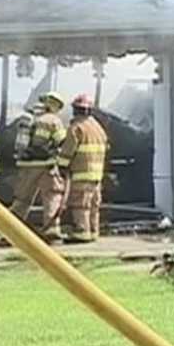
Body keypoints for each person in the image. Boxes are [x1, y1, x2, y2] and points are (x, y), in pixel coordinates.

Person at [12, 92, 68, 241]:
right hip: (46, 165)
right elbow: (62, 142)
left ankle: (11, 228)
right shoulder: (53, 121)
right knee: (52, 195)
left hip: (26, 165)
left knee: (22, 199)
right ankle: (51, 229)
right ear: (54, 106)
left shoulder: (29, 118)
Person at [57, 93, 109, 243]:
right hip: (97, 175)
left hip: (82, 173)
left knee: (80, 204)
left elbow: (68, 150)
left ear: (76, 110)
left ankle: (82, 232)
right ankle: (93, 231)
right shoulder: (98, 128)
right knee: (93, 204)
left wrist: (61, 166)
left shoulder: (76, 128)